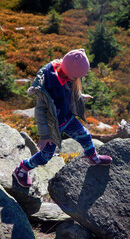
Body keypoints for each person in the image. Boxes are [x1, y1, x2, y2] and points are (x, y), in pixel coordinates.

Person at [13, 49, 112, 188]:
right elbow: (40, 112)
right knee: (45, 156)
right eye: (77, 77)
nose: (78, 79)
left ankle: (93, 158)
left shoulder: (67, 74)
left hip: (67, 118)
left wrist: (81, 96)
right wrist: (44, 135)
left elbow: (68, 91)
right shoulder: (49, 85)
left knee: (85, 135)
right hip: (53, 126)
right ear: (70, 73)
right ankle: (22, 169)